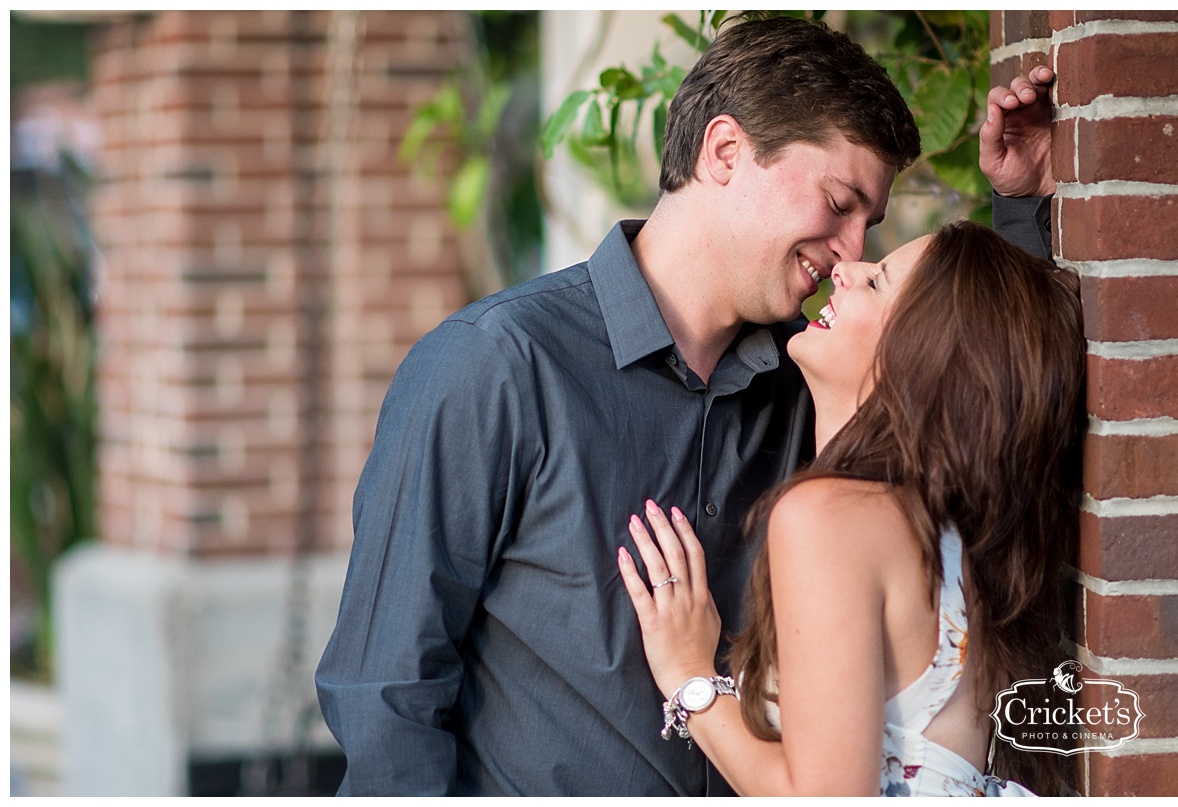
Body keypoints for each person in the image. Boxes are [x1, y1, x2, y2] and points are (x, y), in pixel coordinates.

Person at [315, 13, 1054, 795]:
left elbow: (987, 419)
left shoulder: (816, 390)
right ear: (725, 150)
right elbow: (386, 697)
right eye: (839, 202)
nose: (850, 251)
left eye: (867, 224)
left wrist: (1025, 213)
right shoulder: (493, 367)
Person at [617, 221, 1085, 796]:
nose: (845, 269)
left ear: (925, 352)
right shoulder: (956, 535)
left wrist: (689, 676)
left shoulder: (830, 517)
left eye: (877, 282)